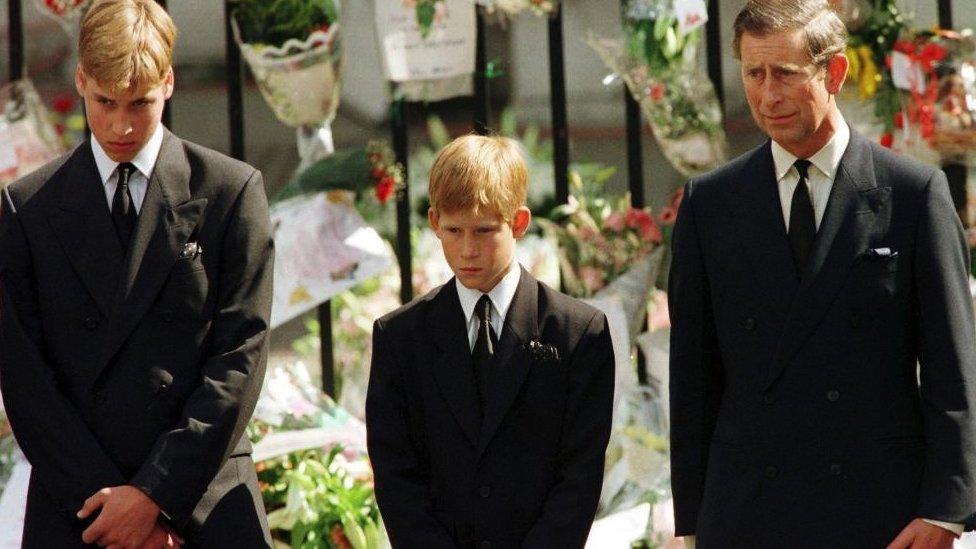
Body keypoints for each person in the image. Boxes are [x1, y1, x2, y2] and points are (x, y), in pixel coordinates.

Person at [668, 1, 976, 547]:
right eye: (754, 75)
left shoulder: (914, 194)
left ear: (834, 73)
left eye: (785, 74)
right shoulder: (709, 204)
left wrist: (945, 511)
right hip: (747, 513)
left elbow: (955, 368)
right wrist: (690, 525)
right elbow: (694, 379)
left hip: (878, 513)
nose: (768, 96)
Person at [0, 0, 274, 546]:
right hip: (79, 507)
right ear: (80, 81)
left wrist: (155, 499)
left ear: (168, 83)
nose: (121, 124)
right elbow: (25, 381)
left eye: (140, 103)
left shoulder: (230, 192)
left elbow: (240, 358)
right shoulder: (26, 208)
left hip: (201, 500)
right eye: (104, 102)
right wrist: (113, 513)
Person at [365, 135, 615, 548]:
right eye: (453, 230)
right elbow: (395, 474)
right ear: (433, 222)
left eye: (484, 230)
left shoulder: (577, 332)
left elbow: (579, 476)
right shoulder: (400, 338)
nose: (467, 249)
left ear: (518, 222)